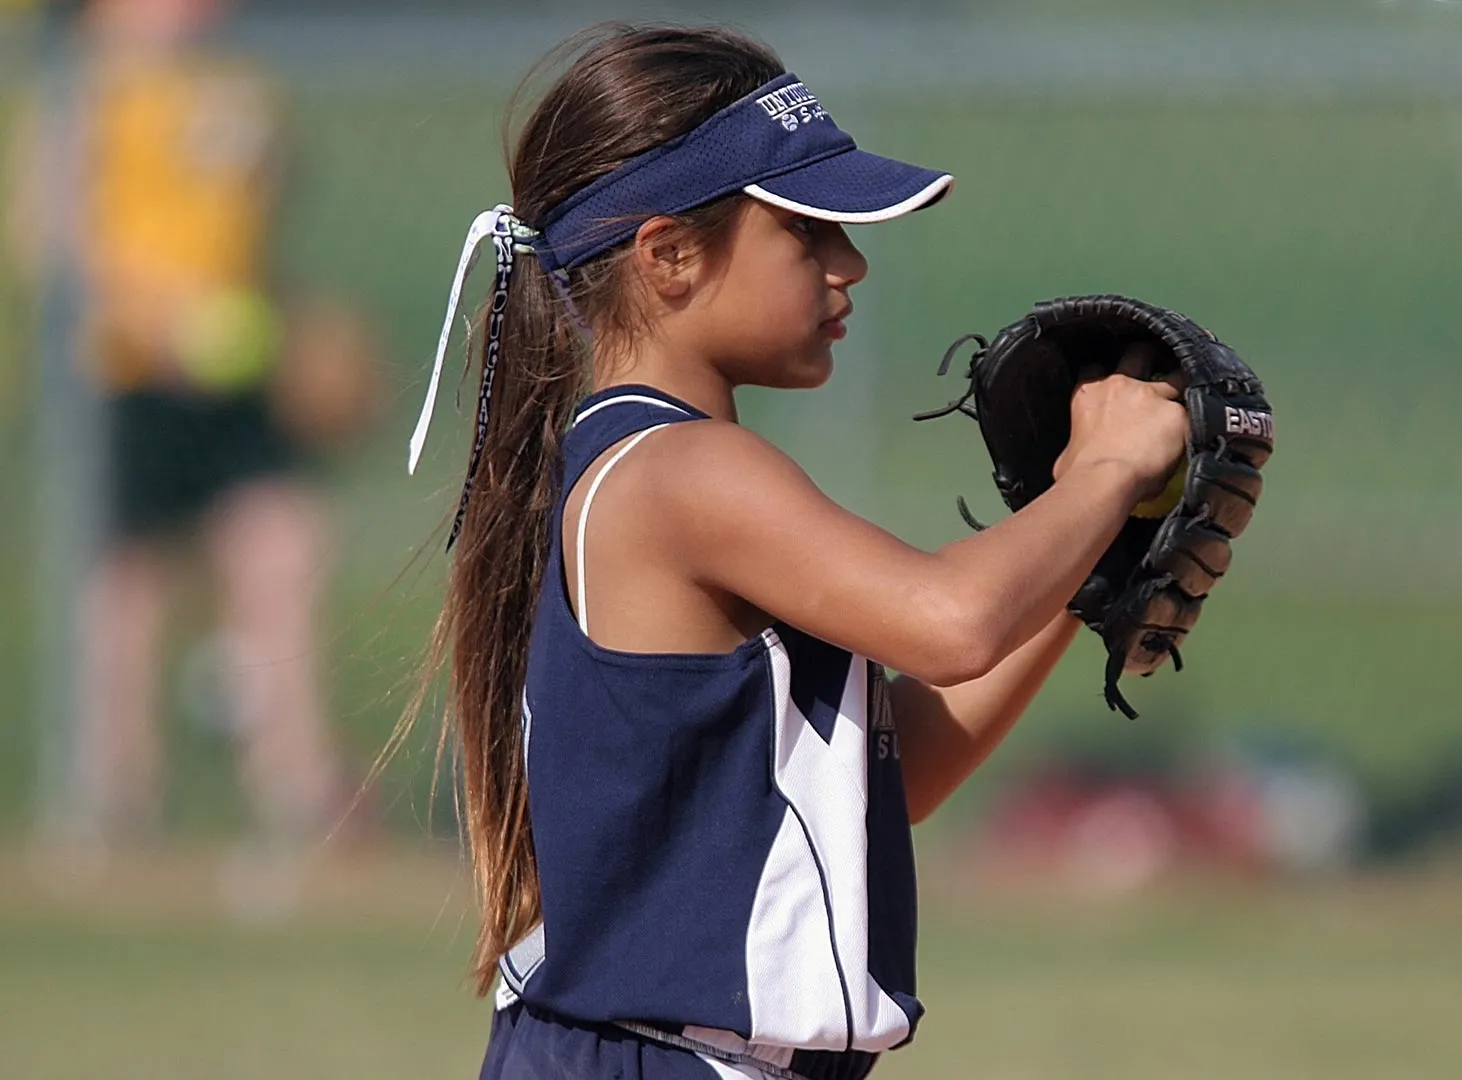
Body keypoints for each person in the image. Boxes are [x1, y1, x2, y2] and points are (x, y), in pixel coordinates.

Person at [405, 24, 1187, 1080]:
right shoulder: (683, 474)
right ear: (669, 255)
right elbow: (950, 623)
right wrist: (1101, 474)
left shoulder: (656, 465)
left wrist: (1087, 563)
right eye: (808, 232)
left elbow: (889, 769)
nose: (849, 263)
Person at [60, 0, 348, 866]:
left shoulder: (233, 84)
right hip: (125, 378)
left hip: (233, 378)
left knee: (283, 549)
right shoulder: (83, 90)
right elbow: (61, 242)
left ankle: (296, 791)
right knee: (128, 590)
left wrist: (285, 323)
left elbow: (256, 222)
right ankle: (116, 798)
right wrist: (166, 316)